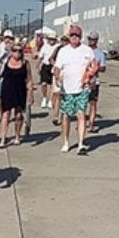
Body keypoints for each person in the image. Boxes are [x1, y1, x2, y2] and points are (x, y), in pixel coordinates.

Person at [53, 24, 97, 154]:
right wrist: (57, 77)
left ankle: (81, 144)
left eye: (76, 35)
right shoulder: (63, 51)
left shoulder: (87, 50)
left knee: (81, 114)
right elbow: (57, 67)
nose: (74, 37)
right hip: (66, 89)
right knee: (66, 116)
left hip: (82, 88)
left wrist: (91, 76)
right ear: (69, 36)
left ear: (81, 37)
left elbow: (94, 65)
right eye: (72, 35)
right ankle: (66, 142)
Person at [0, 42, 34, 147]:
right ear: (11, 51)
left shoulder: (25, 63)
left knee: (18, 115)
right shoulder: (5, 61)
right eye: (15, 50)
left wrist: (30, 94)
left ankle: (17, 136)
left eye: (20, 51)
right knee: (5, 114)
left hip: (20, 91)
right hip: (7, 91)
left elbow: (29, 79)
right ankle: (3, 139)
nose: (17, 53)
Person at [85, 31, 107, 133]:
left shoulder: (100, 53)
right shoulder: (83, 50)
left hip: (94, 82)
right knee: (82, 103)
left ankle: (91, 124)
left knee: (93, 103)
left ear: (96, 40)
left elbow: (103, 68)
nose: (91, 41)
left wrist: (97, 68)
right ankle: (82, 122)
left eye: (93, 39)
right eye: (89, 39)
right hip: (83, 80)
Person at [36, 29, 60, 111]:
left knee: (50, 85)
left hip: (53, 66)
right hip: (45, 65)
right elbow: (40, 57)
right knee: (43, 83)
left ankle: (49, 100)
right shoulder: (45, 46)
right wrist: (37, 66)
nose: (51, 41)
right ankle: (44, 97)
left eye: (53, 39)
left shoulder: (57, 47)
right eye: (50, 39)